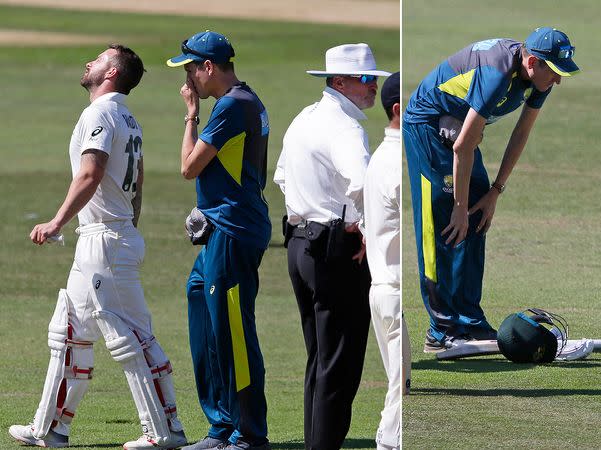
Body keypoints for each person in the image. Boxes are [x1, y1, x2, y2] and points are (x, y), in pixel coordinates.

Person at [9, 45, 187, 449]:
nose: (89, 62)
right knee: (69, 333)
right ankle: (50, 429)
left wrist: (57, 221)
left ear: (112, 73)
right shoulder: (127, 117)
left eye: (99, 59)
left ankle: (164, 432)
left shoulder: (101, 113)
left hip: (104, 240)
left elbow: (91, 172)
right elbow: (137, 181)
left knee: (130, 338)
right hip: (106, 237)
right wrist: (129, 228)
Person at [403, 27, 579, 353]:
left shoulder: (538, 76)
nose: (558, 81)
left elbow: (522, 131)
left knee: (478, 213)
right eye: (554, 72)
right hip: (428, 125)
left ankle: (469, 322)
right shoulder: (496, 73)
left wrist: (495, 191)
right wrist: (458, 204)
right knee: (443, 215)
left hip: (460, 129)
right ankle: (441, 330)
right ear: (532, 62)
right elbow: (461, 147)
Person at [273, 43, 392, 450]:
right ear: (339, 82)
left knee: (321, 361)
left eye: (373, 80)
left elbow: (283, 177)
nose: (372, 88)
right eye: (364, 80)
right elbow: (362, 183)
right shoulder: (345, 127)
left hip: (300, 245)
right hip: (333, 251)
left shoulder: (305, 117)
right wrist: (361, 227)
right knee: (339, 367)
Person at [167, 30, 272, 449]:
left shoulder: (233, 105)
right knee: (204, 316)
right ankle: (221, 426)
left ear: (209, 67)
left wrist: (191, 115)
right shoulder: (244, 100)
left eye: (191, 69)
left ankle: (247, 433)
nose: (188, 78)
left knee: (232, 332)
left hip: (233, 230)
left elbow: (189, 167)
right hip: (223, 226)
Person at [363, 72, 410, 450]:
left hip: (382, 290)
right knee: (399, 397)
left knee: (399, 392)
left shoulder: (380, 156)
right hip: (394, 292)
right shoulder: (397, 162)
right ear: (398, 109)